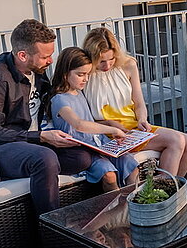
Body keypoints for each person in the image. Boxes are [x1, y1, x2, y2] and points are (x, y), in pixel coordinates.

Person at [0, 19, 89, 214]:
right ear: (22, 55)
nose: (50, 60)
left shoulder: (37, 71)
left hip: (26, 145)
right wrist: (40, 136)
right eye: (45, 56)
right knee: (45, 158)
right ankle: (52, 226)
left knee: (81, 158)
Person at [80, 26, 187, 176]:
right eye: (101, 61)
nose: (107, 65)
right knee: (176, 141)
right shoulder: (83, 75)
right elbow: (83, 119)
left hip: (132, 129)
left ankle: (171, 190)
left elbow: (139, 103)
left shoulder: (128, 65)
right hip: (107, 135)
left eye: (111, 59)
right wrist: (109, 125)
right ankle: (163, 193)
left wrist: (142, 119)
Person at [41, 46, 140, 191]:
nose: (86, 79)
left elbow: (89, 121)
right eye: (81, 75)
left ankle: (134, 203)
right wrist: (111, 128)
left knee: (131, 165)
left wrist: (109, 123)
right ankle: (119, 209)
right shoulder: (59, 100)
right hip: (82, 149)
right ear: (65, 74)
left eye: (87, 74)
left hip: (99, 144)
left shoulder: (78, 92)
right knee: (109, 175)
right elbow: (79, 124)